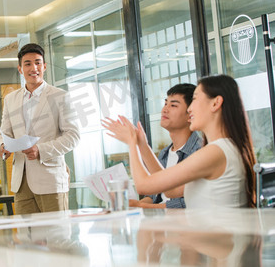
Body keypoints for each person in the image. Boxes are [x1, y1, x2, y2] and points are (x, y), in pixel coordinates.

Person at [102, 74, 256, 208]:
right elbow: (171, 190)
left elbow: (143, 185)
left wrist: (131, 142)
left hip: (213, 240)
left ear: (215, 103)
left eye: (195, 99)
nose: (190, 109)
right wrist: (141, 143)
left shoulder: (215, 152)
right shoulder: (223, 148)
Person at [0, 43, 80, 214]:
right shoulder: (10, 99)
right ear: (20, 69)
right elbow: (4, 132)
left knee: (55, 237)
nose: (33, 68)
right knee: (26, 238)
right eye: (27, 63)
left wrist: (40, 150)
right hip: (21, 181)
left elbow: (73, 136)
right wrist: (3, 146)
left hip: (50, 180)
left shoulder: (60, 97)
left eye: (37, 62)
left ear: (44, 66)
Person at [130, 83, 202, 209]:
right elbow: (154, 195)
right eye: (165, 104)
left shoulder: (200, 151)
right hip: (161, 220)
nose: (165, 109)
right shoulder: (165, 153)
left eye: (173, 105)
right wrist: (136, 204)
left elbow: (187, 202)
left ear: (190, 114)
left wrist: (141, 206)